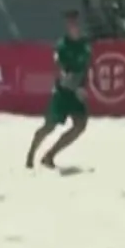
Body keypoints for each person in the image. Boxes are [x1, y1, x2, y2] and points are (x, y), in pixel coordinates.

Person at [27, 10, 92, 169]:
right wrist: (75, 87)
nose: (74, 26)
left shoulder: (85, 44)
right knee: (49, 126)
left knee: (80, 126)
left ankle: (50, 155)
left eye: (76, 23)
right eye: (71, 23)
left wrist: (83, 87)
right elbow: (61, 71)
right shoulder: (62, 45)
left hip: (77, 91)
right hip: (63, 91)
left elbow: (85, 68)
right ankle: (30, 155)